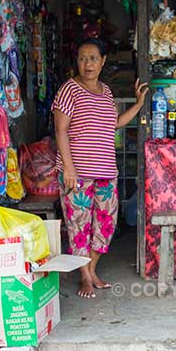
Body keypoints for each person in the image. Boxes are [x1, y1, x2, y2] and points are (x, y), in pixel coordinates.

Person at [52, 37, 148, 299]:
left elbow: (114, 123)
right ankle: (85, 277)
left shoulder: (105, 92)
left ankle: (92, 270)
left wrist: (138, 105)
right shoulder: (69, 90)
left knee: (105, 225)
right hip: (78, 174)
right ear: (77, 62)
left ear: (103, 61)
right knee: (79, 227)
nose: (87, 63)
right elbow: (60, 130)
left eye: (93, 58)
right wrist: (69, 169)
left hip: (106, 173)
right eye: (83, 58)